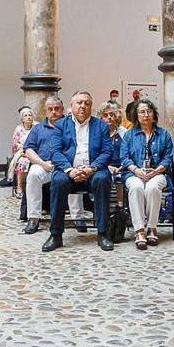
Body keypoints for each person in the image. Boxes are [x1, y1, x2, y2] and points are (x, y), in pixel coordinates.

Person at [43, 91, 115, 253]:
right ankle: (55, 235)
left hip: (93, 171)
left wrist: (91, 168)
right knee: (58, 181)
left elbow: (107, 152)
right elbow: (55, 152)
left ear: (91, 107)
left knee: (103, 179)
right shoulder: (61, 125)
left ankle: (103, 233)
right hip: (68, 170)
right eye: (79, 103)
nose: (83, 106)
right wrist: (70, 170)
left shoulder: (101, 126)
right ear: (71, 106)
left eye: (87, 103)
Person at [120, 99, 173, 250]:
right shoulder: (129, 135)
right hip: (133, 173)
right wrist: (136, 170)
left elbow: (168, 158)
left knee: (153, 187)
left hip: (158, 173)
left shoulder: (164, 134)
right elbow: (124, 157)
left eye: (149, 111)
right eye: (142, 112)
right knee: (136, 187)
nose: (146, 115)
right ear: (136, 115)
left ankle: (152, 228)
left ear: (154, 114)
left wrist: (156, 171)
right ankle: (139, 230)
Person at [21, 96, 65, 234]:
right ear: (45, 111)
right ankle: (33, 218)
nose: (53, 112)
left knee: (73, 174)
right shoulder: (38, 129)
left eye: (57, 109)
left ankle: (78, 216)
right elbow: (28, 149)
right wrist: (42, 163)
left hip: (64, 166)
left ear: (62, 110)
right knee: (33, 174)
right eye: (50, 109)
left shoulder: (70, 127)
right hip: (43, 165)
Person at [4, 106, 35, 193]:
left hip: (34, 152)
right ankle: (19, 187)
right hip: (22, 153)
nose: (28, 117)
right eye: (26, 115)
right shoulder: (18, 129)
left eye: (30, 115)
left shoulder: (36, 127)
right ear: (22, 119)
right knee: (22, 162)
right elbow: (15, 144)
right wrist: (24, 150)